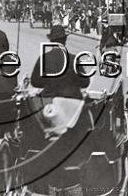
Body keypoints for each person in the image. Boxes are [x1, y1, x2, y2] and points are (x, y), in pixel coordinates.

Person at [30, 25, 90, 196]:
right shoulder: (72, 58)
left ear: (51, 41)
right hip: (72, 107)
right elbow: (85, 83)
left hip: (51, 108)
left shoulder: (44, 59)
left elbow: (35, 81)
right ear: (64, 40)